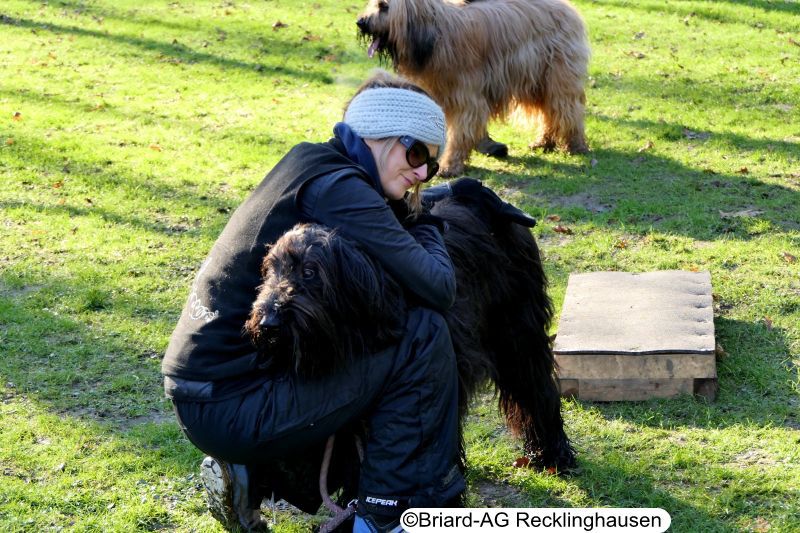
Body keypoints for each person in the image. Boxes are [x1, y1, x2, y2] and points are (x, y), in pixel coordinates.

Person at [162, 71, 468, 533]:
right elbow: (438, 287)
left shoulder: (312, 163)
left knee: (368, 330)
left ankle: (259, 474)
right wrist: (424, 221)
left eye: (433, 164)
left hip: (209, 391)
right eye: (416, 153)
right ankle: (385, 517)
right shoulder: (340, 190)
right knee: (420, 332)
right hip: (233, 404)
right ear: (379, 136)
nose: (422, 173)